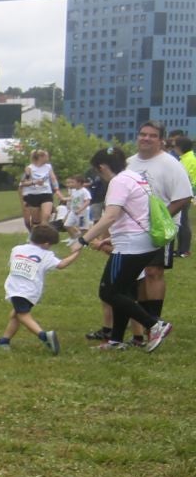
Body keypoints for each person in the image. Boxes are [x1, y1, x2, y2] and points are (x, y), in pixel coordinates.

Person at [78, 147, 168, 350]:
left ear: (101, 167)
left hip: (130, 246)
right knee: (123, 291)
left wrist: (83, 240)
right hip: (145, 242)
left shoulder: (118, 182)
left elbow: (110, 216)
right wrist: (107, 240)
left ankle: (154, 325)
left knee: (108, 293)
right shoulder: (135, 177)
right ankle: (116, 340)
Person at [127, 120, 192, 335]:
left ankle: (154, 321)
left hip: (160, 229)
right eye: (142, 134)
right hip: (133, 227)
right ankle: (147, 323)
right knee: (139, 275)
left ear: (161, 140)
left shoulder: (170, 164)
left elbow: (183, 196)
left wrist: (160, 219)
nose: (146, 138)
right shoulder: (130, 163)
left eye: (152, 135)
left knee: (154, 272)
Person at [0, 223, 80, 353]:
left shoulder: (17, 249)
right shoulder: (46, 255)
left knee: (22, 315)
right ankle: (4, 341)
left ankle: (44, 336)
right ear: (46, 244)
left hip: (16, 289)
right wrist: (76, 253)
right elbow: (62, 264)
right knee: (16, 315)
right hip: (30, 291)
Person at [18, 149, 59, 232]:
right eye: (46, 156)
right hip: (33, 195)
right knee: (36, 220)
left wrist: (57, 189)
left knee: (46, 215)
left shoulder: (48, 167)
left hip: (46, 193)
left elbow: (53, 178)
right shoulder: (29, 168)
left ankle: (44, 235)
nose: (48, 158)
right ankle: (35, 235)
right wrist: (35, 182)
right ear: (41, 157)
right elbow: (23, 183)